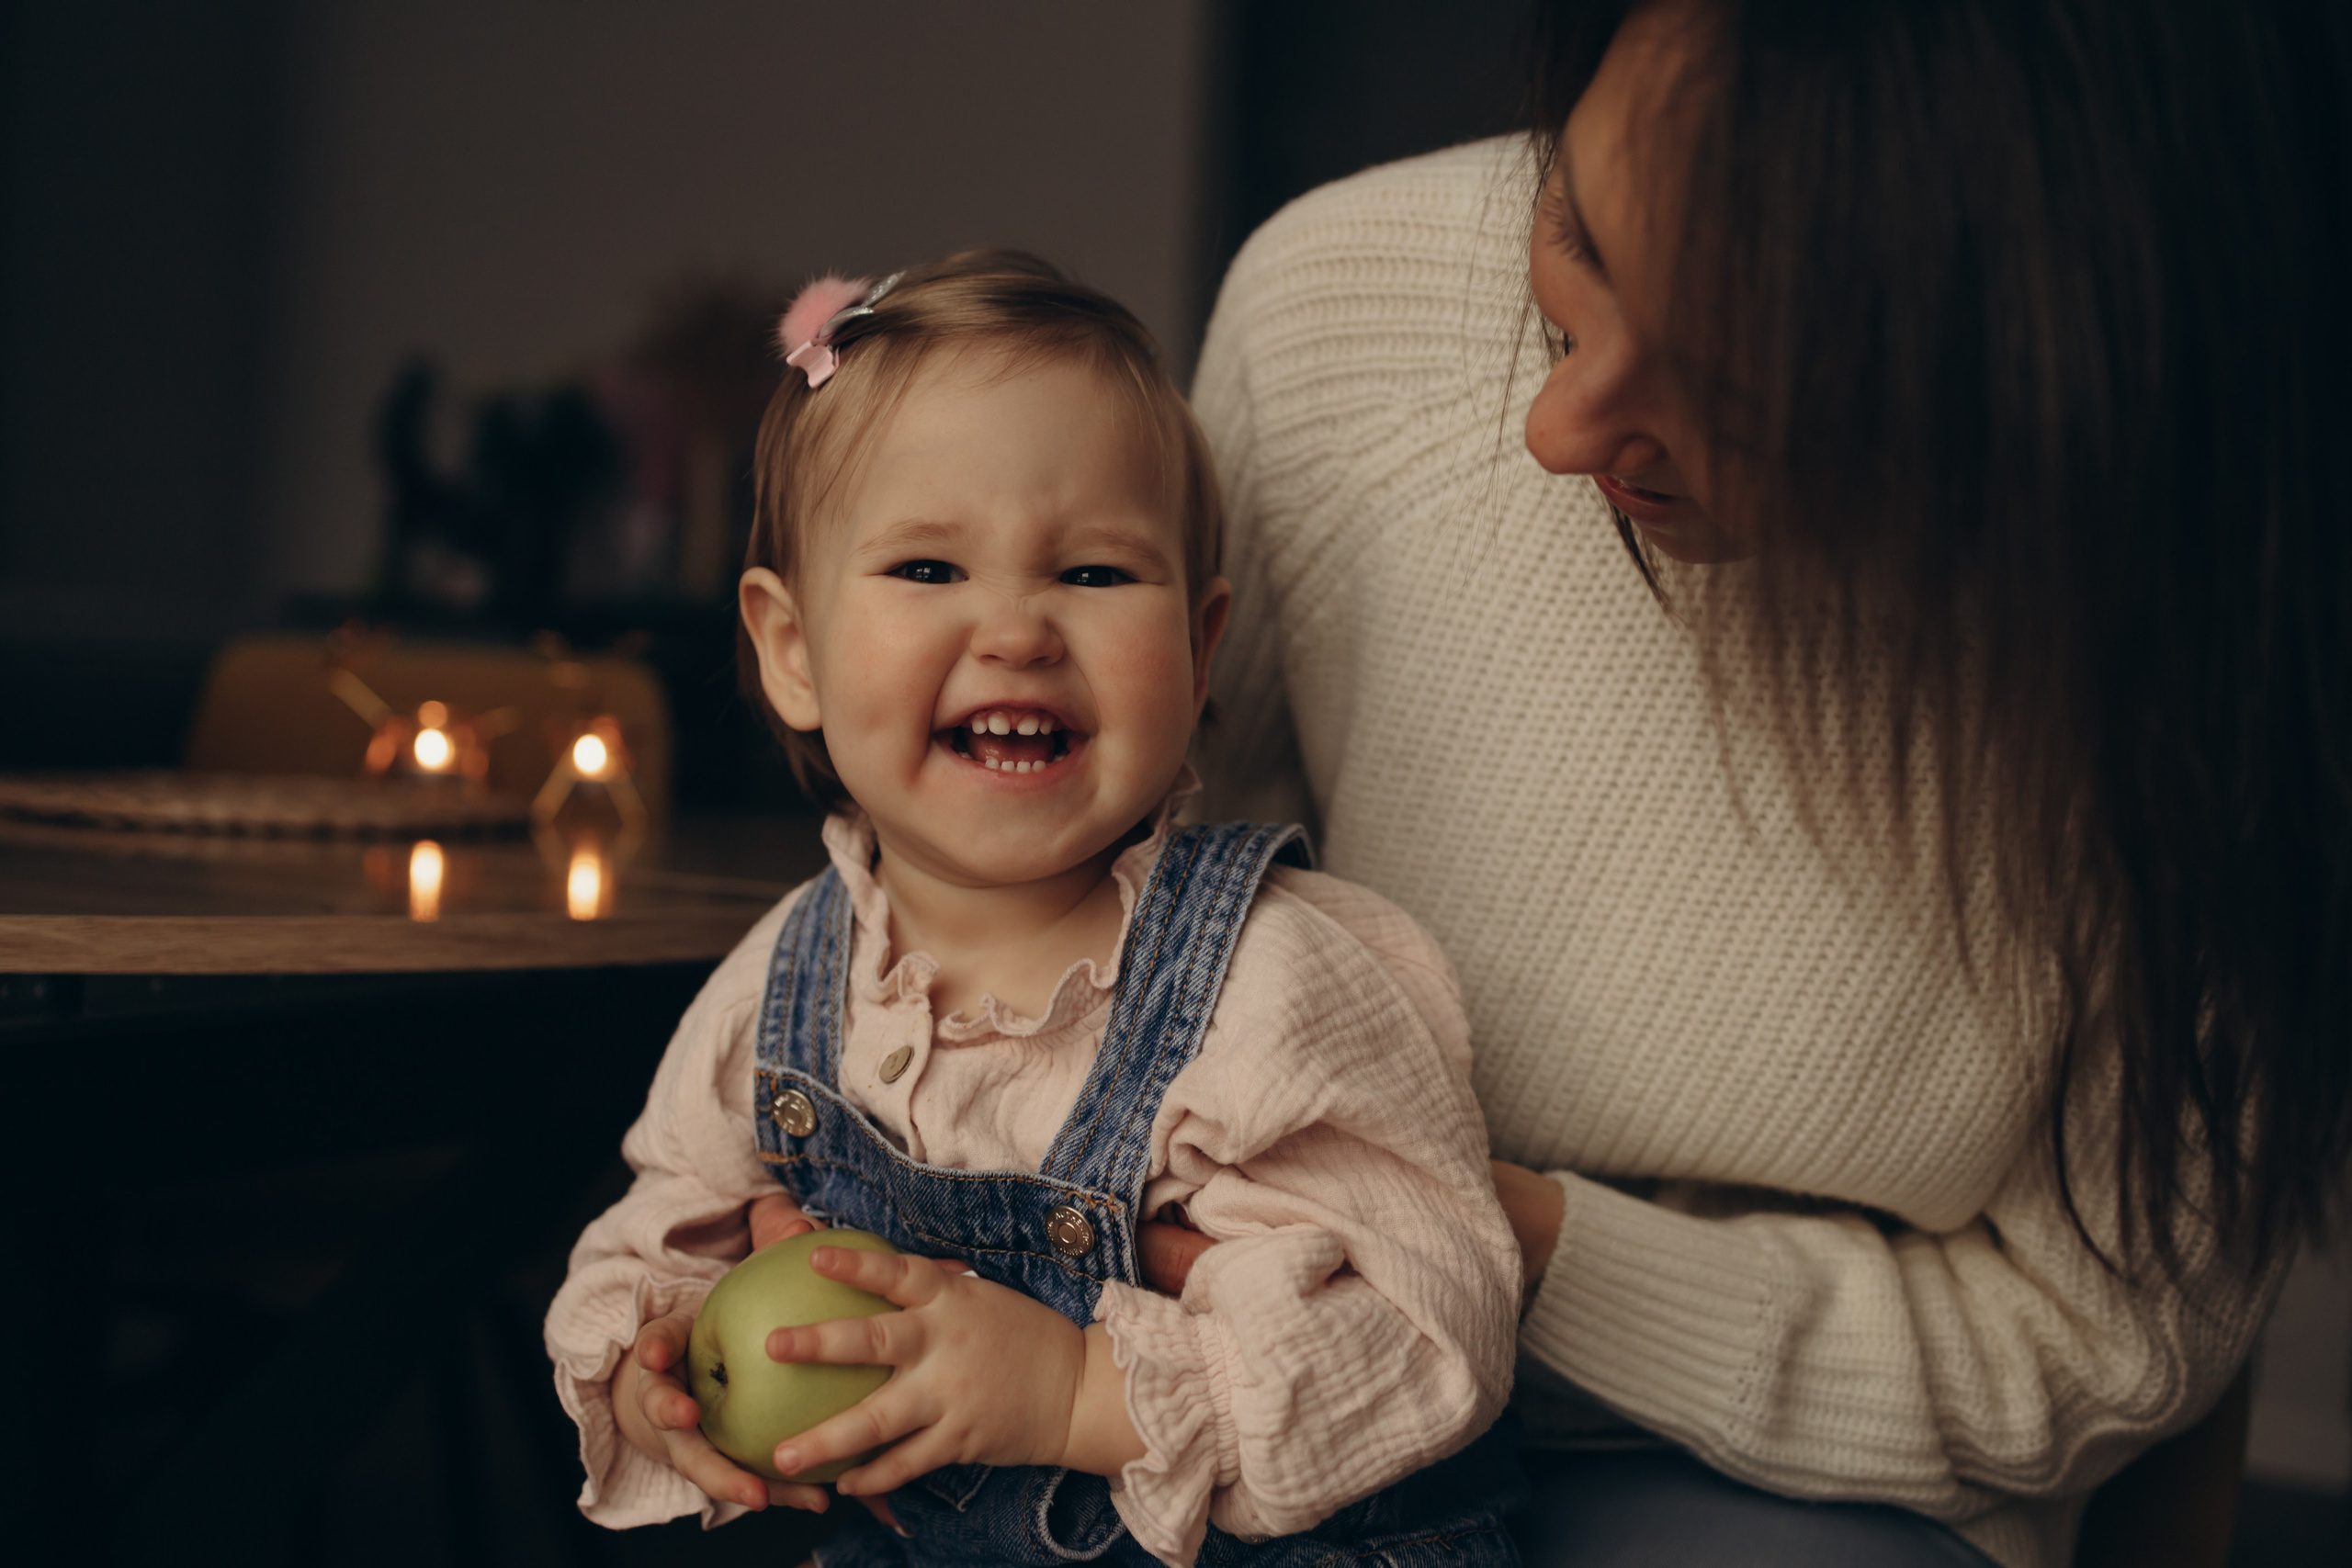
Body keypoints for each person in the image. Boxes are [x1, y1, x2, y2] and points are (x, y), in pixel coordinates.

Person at [1180, 2, 2351, 1566]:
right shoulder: (1334, 312)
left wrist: (1528, 1252)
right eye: (1579, 241)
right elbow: (1093, 912)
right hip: (1256, 1360)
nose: (1555, 429)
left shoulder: (2219, 652)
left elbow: (2099, 1349)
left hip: (1810, 1485)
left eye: (1737, 386)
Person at [542, 252, 1525, 1568]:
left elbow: (1431, 1325)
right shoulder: (789, 978)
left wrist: (1076, 1393)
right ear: (792, 650)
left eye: (1097, 576)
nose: (1017, 631)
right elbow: (663, 1222)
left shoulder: (1271, 981)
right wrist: (650, 1365)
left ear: (1200, 649)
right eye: (928, 568)